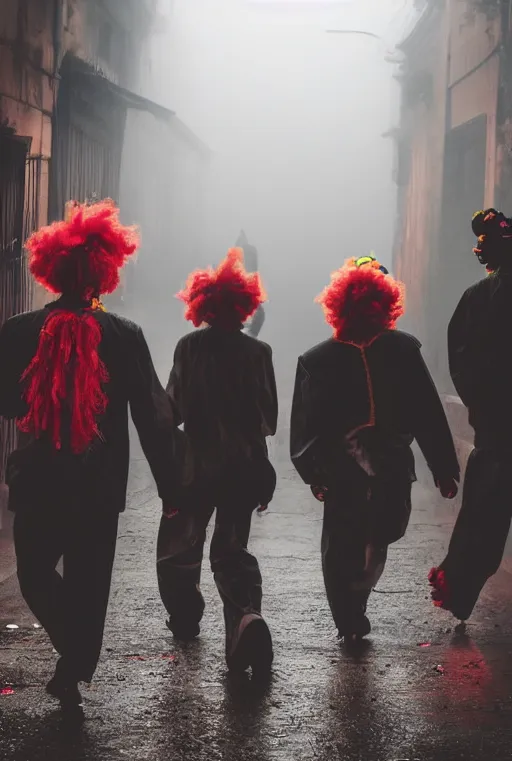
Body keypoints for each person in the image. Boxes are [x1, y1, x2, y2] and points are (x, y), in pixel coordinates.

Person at [0, 200, 181, 715]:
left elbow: (5, 402)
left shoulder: (19, 330)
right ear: (106, 271)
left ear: (51, 269)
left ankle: (72, 659)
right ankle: (76, 664)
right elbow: (154, 417)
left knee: (33, 573)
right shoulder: (124, 336)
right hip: (98, 487)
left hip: (38, 481)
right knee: (89, 582)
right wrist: (170, 489)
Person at [290, 254, 459, 641]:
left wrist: (444, 466)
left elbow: (426, 410)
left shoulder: (402, 350)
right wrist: (313, 473)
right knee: (341, 544)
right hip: (341, 469)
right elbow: (306, 423)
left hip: (391, 464)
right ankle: (348, 617)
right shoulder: (318, 360)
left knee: (381, 534)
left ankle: (356, 599)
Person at [157, 247, 277, 676]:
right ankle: (246, 616)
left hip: (195, 464)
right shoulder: (258, 354)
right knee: (231, 550)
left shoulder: (188, 347)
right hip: (244, 466)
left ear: (202, 305)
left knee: (178, 549)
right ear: (244, 307)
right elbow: (269, 419)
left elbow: (173, 410)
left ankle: (186, 617)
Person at [429, 208, 512, 622]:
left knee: (481, 521)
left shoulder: (477, 298)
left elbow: (460, 360)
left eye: (484, 242)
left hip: (496, 434)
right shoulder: (478, 296)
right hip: (496, 430)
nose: (477, 249)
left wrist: (481, 403)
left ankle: (458, 594)